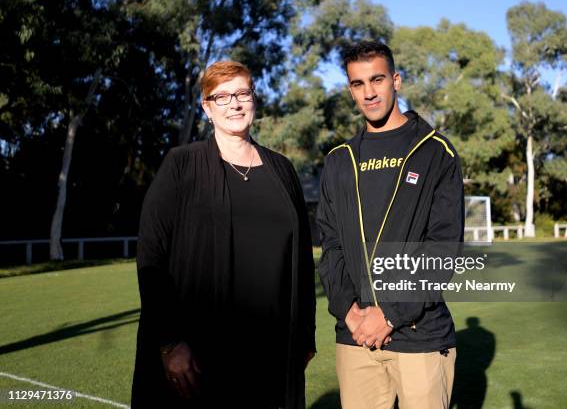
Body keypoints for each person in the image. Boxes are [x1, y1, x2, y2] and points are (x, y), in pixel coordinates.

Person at [131, 60, 316, 409]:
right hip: (202, 352)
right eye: (222, 97)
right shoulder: (181, 164)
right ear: (206, 106)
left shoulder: (282, 169)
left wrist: (305, 335)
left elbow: (302, 260)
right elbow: (152, 254)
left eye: (242, 93)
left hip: (271, 349)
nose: (234, 103)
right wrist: (170, 342)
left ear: (254, 98)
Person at [316, 41, 464, 409]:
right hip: (356, 338)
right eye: (358, 84)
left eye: (377, 79)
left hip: (419, 335)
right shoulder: (339, 161)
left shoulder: (434, 152)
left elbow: (443, 250)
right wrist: (350, 312)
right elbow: (331, 246)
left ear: (396, 80)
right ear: (350, 89)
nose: (369, 93)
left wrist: (390, 314)